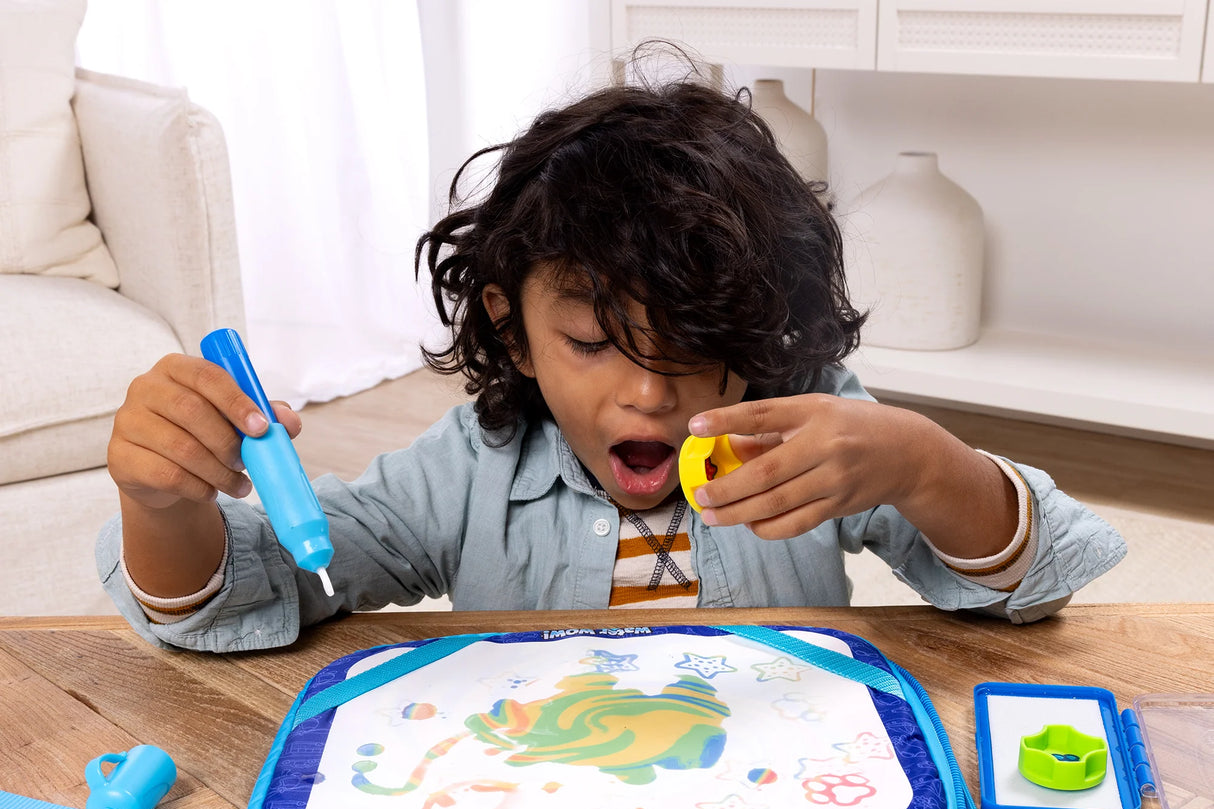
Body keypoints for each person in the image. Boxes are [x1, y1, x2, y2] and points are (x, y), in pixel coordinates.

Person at [97, 70, 1124, 651]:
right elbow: (251, 595)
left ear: (760, 330)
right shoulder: (470, 466)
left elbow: (1033, 587)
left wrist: (920, 463)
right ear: (510, 326)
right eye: (589, 343)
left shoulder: (802, 426)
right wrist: (166, 506)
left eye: (691, 349)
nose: (643, 392)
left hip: (776, 798)